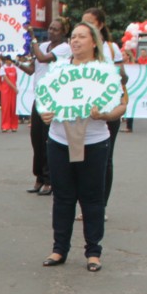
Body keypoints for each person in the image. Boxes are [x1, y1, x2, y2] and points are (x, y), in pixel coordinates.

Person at [40, 22, 127, 273]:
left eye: (81, 37)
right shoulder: (58, 70)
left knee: (92, 198)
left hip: (94, 142)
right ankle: (59, 249)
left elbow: (122, 105)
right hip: (59, 141)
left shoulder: (106, 71)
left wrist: (105, 115)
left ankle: (93, 252)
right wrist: (44, 114)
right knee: (63, 197)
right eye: (73, 37)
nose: (75, 41)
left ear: (93, 41)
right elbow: (44, 100)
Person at [81, 8, 128, 215]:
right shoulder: (78, 50)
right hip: (83, 111)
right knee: (80, 156)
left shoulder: (111, 49)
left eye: (90, 23)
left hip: (107, 108)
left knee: (105, 157)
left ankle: (100, 205)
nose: (85, 26)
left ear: (100, 25)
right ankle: (85, 203)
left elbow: (123, 76)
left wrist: (110, 77)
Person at [22, 17, 72, 195]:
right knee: (36, 139)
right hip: (39, 97)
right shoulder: (43, 46)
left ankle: (50, 179)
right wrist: (15, 61)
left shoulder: (64, 48)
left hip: (53, 98)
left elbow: (43, 59)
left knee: (47, 139)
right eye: (50, 28)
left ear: (64, 32)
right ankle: (39, 177)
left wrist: (33, 38)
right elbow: (32, 69)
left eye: (56, 29)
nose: (51, 31)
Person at [0, 56, 19, 132]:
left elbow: (17, 78)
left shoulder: (15, 68)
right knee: (6, 107)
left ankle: (14, 125)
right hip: (6, 89)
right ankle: (5, 126)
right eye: (7, 60)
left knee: (14, 107)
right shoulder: (2, 68)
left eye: (9, 60)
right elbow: (6, 79)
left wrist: (16, 87)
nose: (8, 62)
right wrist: (14, 88)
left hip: (13, 90)